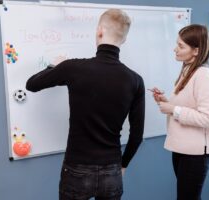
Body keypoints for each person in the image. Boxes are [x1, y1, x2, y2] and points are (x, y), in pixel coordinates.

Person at [26, 9, 145, 200]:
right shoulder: (135, 80)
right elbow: (137, 135)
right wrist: (123, 165)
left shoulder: (72, 68)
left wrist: (53, 66)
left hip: (76, 169)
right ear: (124, 40)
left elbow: (31, 84)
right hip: (112, 170)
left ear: (99, 31)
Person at [150, 24, 209, 200]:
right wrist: (166, 102)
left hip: (195, 154)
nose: (175, 49)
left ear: (196, 51)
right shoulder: (188, 70)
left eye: (181, 46)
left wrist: (173, 109)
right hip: (182, 148)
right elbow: (188, 106)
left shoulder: (204, 75)